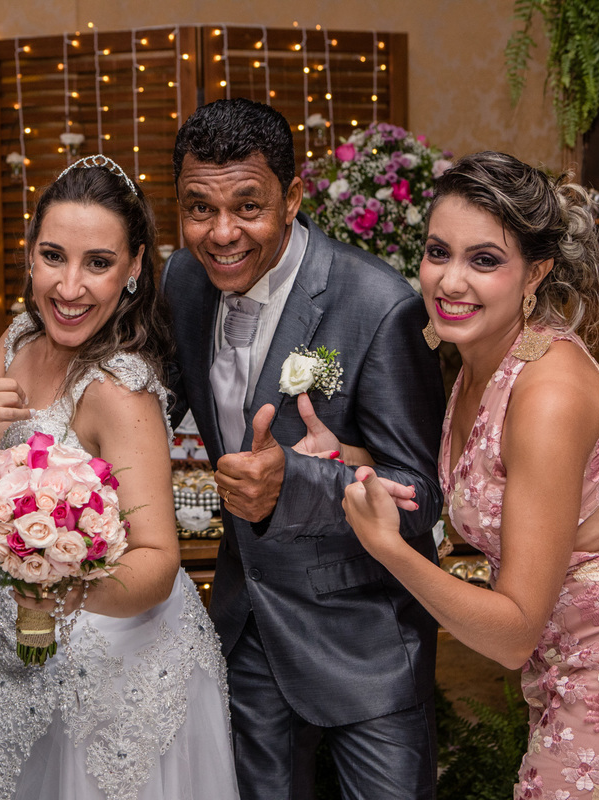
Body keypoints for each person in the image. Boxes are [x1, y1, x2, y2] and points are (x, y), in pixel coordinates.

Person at [342, 151, 599, 798]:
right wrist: (347, 460)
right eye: (438, 253)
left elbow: (513, 631)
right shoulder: (481, 362)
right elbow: (488, 482)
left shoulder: (547, 392)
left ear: (537, 272)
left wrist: (390, 549)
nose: (450, 281)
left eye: (484, 260)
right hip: (573, 660)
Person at [0, 156, 240, 800]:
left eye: (98, 263)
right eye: (53, 257)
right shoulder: (17, 340)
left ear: (133, 268)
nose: (69, 288)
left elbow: (157, 562)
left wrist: (45, 581)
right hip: (25, 657)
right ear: (30, 255)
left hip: (118, 672)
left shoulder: (119, 392)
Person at [162, 97, 447, 800]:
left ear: (291, 198)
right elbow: (148, 401)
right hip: (248, 626)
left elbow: (420, 496)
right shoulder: (182, 283)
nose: (221, 233)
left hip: (366, 641)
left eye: (247, 206)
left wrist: (296, 482)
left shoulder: (380, 305)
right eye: (199, 209)